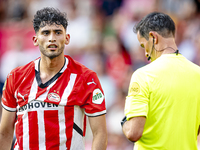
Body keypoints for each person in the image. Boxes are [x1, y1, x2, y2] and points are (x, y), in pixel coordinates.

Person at [0, 7, 107, 150]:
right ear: (35, 40)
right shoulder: (15, 77)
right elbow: (5, 132)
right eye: (45, 33)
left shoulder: (86, 78)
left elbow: (100, 133)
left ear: (67, 38)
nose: (52, 38)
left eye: (58, 32)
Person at [121, 12, 200, 150]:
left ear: (153, 37)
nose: (146, 53)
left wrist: (125, 123)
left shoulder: (143, 75)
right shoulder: (198, 73)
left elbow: (133, 132)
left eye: (143, 45)